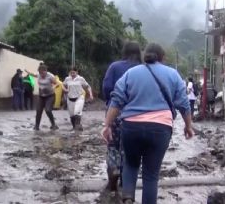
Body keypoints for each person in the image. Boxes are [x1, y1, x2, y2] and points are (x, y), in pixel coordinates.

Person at [101, 43, 194, 204]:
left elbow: (116, 99)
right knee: (151, 175)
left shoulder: (131, 73)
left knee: (130, 164)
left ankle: (128, 197)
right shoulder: (173, 74)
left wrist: (107, 125)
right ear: (162, 57)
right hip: (161, 128)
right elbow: (183, 103)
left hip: (131, 127)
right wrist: (188, 126)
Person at [102, 41, 142, 192]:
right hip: (136, 115)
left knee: (113, 146)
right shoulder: (143, 69)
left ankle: (113, 170)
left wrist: (110, 101)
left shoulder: (114, 67)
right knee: (130, 149)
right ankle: (126, 182)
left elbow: (106, 88)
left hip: (114, 112)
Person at [25, 64, 60, 131]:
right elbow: (33, 74)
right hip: (41, 96)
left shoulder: (50, 76)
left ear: (46, 71)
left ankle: (53, 124)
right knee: (38, 110)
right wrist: (27, 71)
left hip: (50, 95)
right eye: (40, 73)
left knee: (48, 110)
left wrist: (53, 87)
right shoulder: (39, 75)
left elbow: (57, 84)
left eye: (43, 73)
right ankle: (36, 126)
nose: (42, 75)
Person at [62, 66, 93, 131]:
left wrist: (90, 94)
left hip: (79, 97)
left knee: (77, 112)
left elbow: (88, 87)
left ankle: (77, 128)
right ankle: (75, 127)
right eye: (71, 73)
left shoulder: (81, 79)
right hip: (70, 98)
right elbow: (63, 85)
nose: (72, 74)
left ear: (77, 72)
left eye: (74, 73)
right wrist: (65, 89)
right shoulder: (67, 79)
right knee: (72, 115)